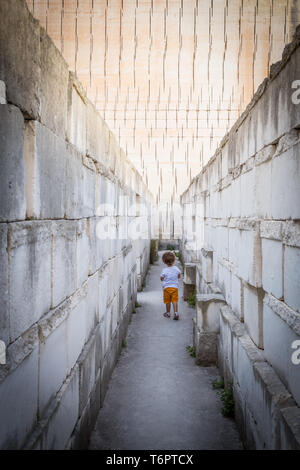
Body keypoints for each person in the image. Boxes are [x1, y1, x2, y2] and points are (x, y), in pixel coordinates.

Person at [160, 251, 181, 320]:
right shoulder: (176, 268)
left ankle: (168, 313)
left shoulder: (164, 270)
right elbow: (179, 276)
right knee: (174, 301)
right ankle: (176, 312)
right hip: (175, 288)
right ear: (174, 260)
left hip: (167, 288)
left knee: (168, 301)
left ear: (164, 261)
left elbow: (161, 278)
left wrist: (163, 278)